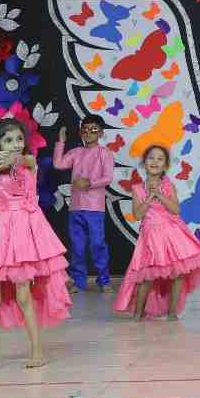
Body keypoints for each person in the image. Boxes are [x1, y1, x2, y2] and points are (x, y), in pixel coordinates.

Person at [0, 117, 71, 368]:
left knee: (23, 295)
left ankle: (37, 351)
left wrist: (14, 158)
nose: (16, 143)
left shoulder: (29, 161)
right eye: (8, 140)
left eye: (19, 139)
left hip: (22, 232)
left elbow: (25, 161)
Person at [113, 145, 200, 321]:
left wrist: (159, 194)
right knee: (147, 276)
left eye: (160, 159)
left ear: (165, 165)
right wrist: (149, 197)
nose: (155, 161)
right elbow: (137, 215)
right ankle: (138, 313)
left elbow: (175, 209)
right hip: (150, 236)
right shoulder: (137, 188)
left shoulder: (168, 185)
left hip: (171, 234)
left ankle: (172, 312)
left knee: (177, 273)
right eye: (151, 158)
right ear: (144, 162)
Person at [52, 115, 115, 294]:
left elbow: (108, 178)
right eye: (85, 129)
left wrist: (89, 183)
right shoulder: (76, 152)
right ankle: (79, 281)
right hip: (76, 208)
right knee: (77, 246)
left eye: (93, 129)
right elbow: (58, 164)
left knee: (97, 244)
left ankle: (104, 280)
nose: (88, 133)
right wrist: (61, 142)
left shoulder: (105, 153)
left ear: (101, 133)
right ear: (81, 132)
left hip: (95, 208)